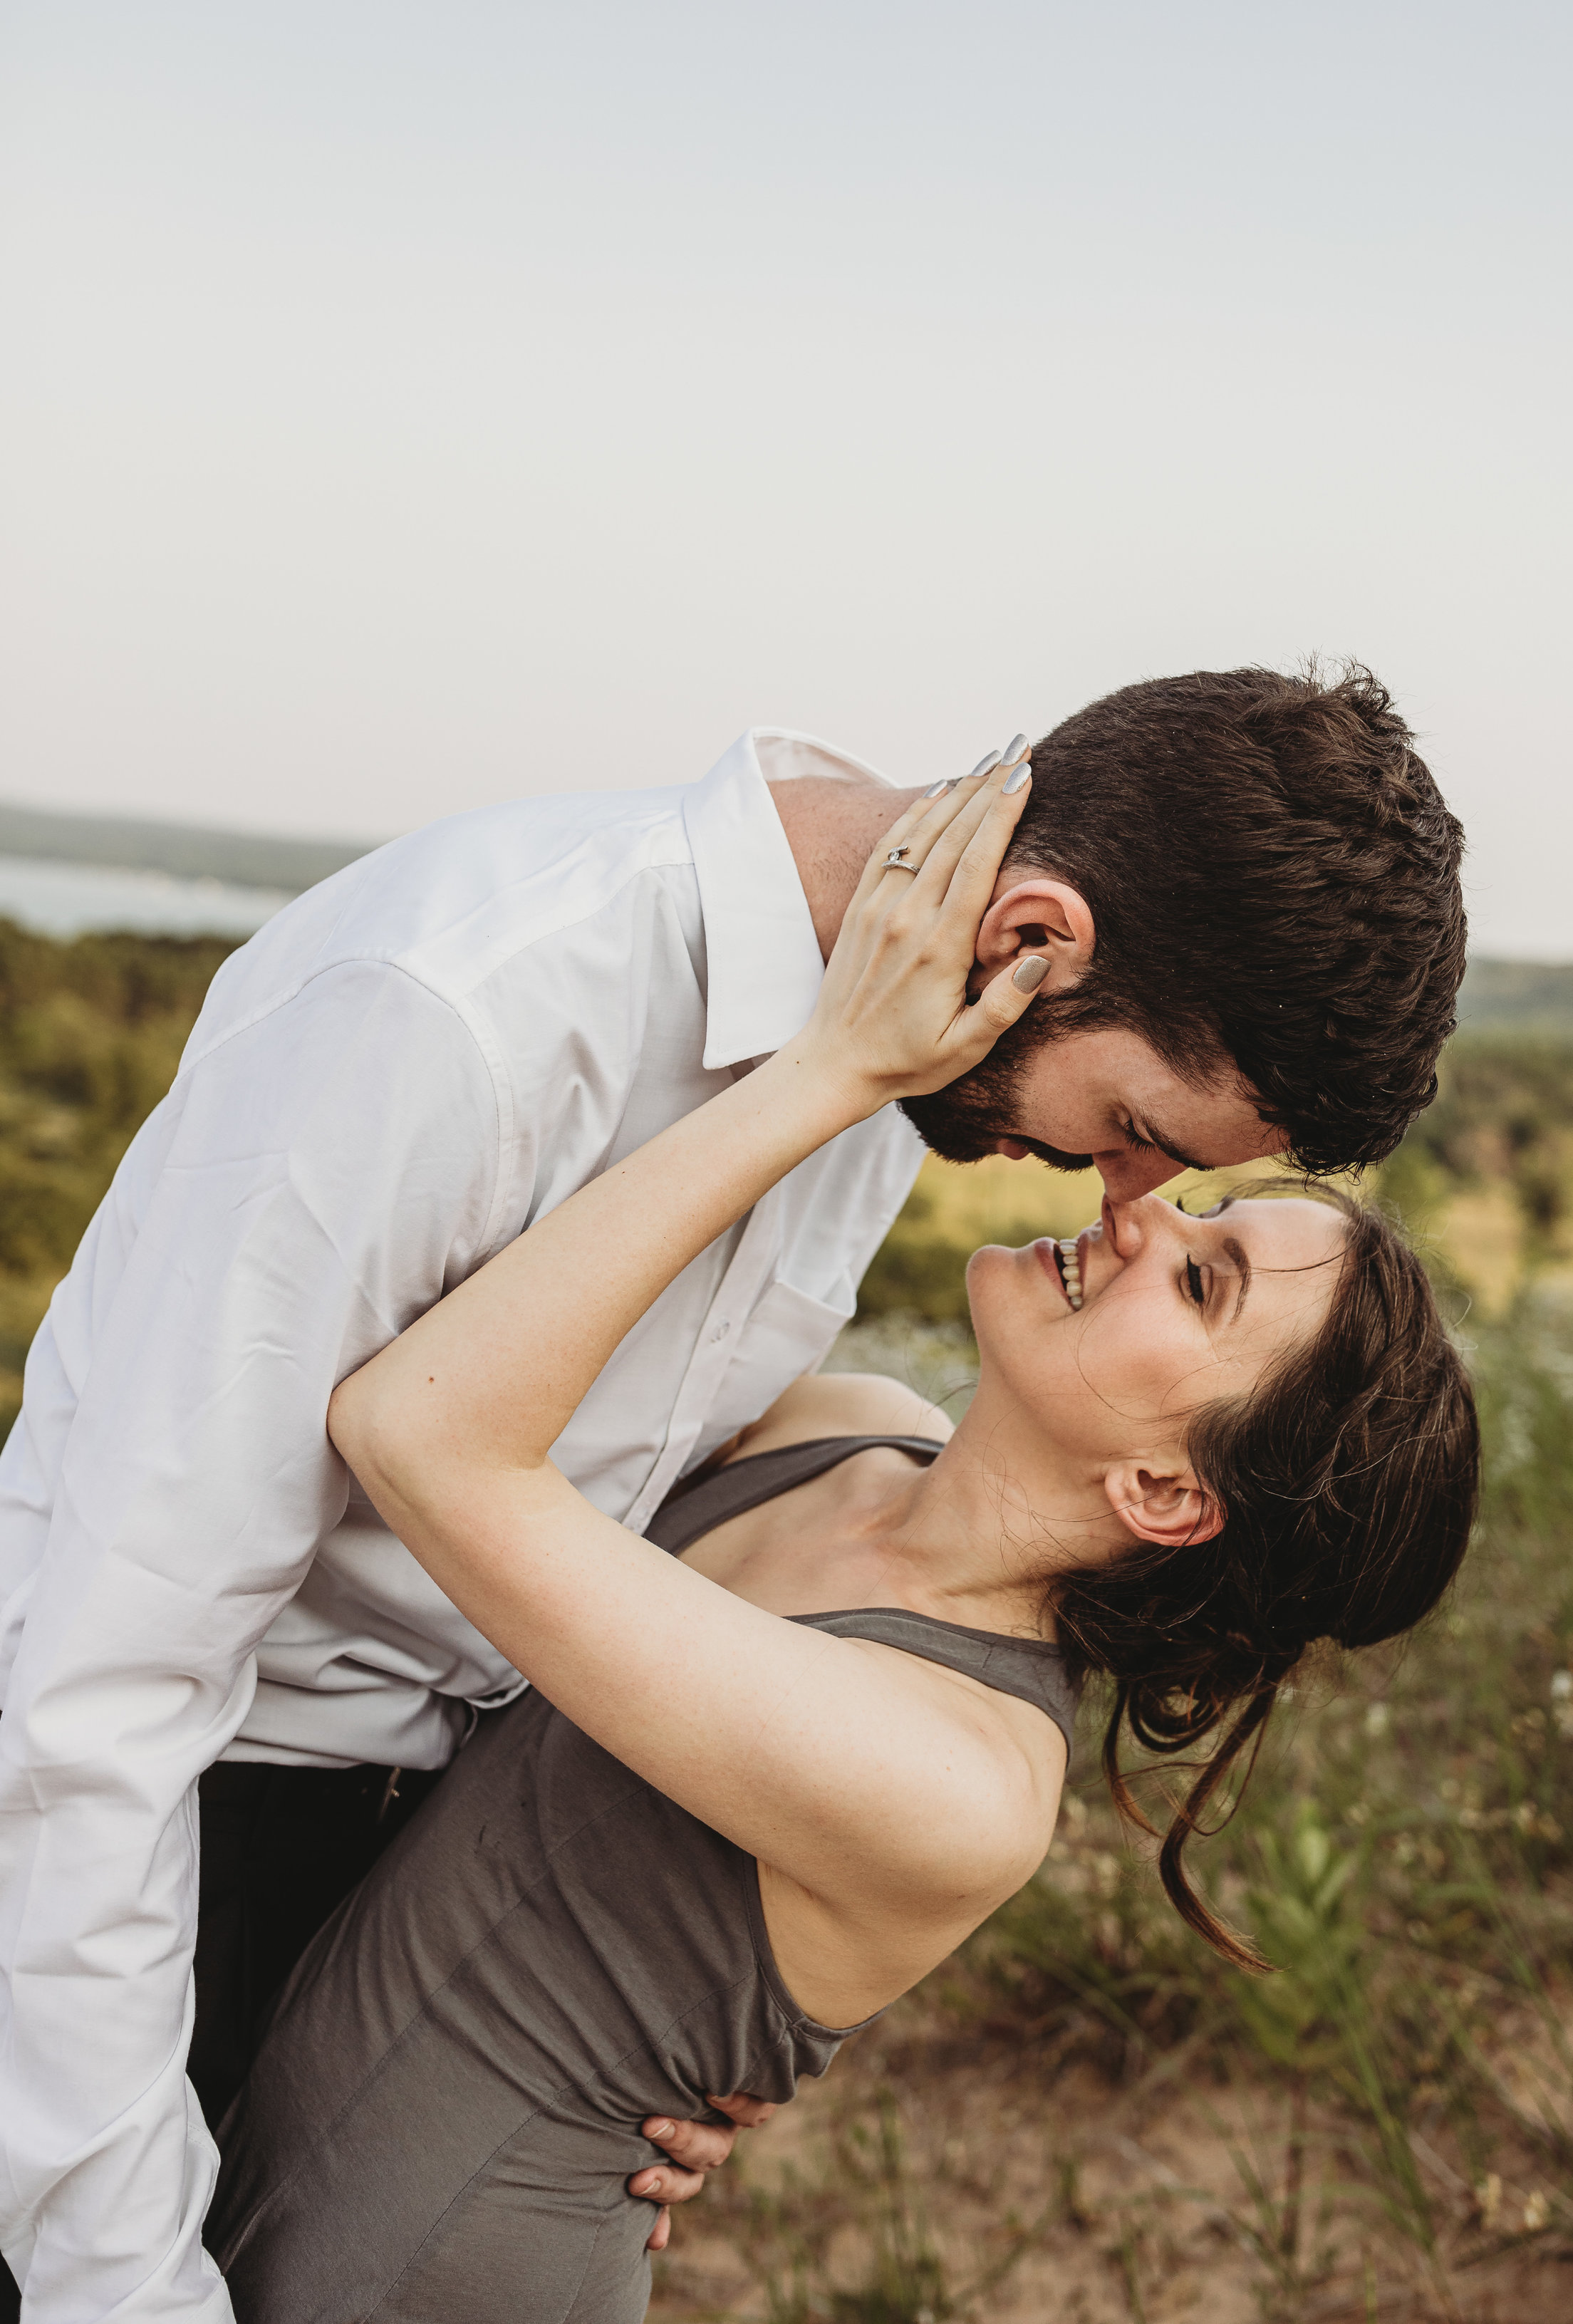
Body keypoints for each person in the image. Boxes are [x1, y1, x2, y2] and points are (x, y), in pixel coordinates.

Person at [0, 666, 1465, 2320]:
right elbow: (91, 1690)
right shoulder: (464, 1006)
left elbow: (609, 1562)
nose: (1125, 1198)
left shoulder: (888, 1090)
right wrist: (111, 2283)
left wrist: (630, 2027)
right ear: (1032, 938)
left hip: (357, 1911)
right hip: (130, 1875)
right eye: (1131, 1128)